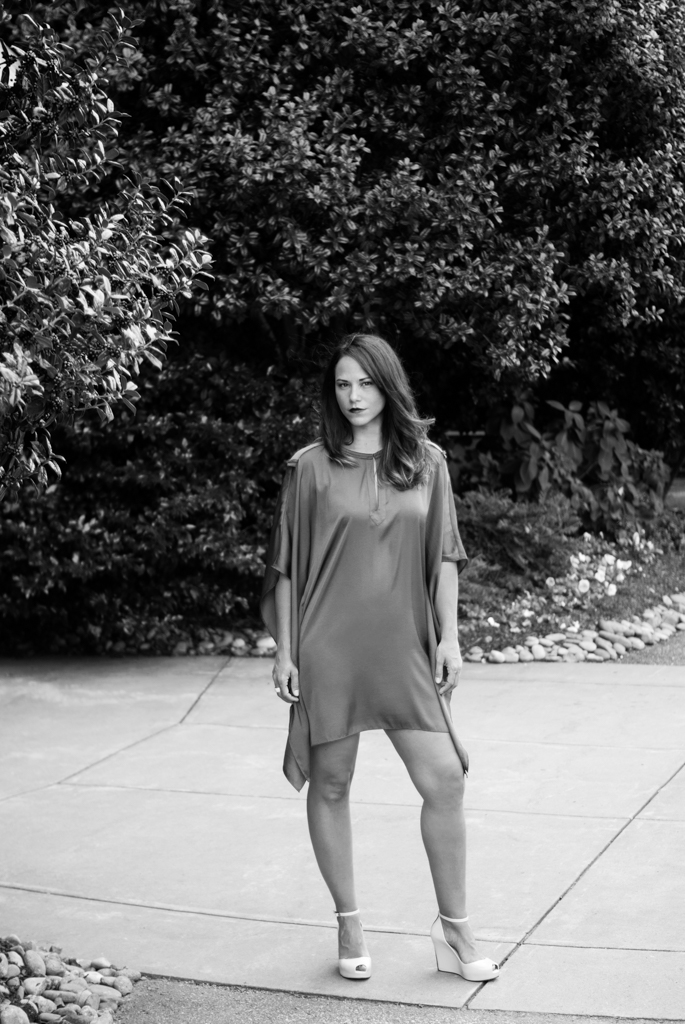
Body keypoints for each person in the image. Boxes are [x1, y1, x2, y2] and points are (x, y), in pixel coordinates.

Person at [260, 333, 499, 984]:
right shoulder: (309, 467)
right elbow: (285, 567)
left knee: (444, 779)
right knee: (332, 784)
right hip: (329, 647)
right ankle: (348, 922)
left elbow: (445, 555)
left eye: (365, 382)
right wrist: (286, 651)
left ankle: (455, 930)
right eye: (342, 384)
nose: (354, 396)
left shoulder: (428, 462)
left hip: (404, 646)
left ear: (388, 386)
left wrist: (449, 638)